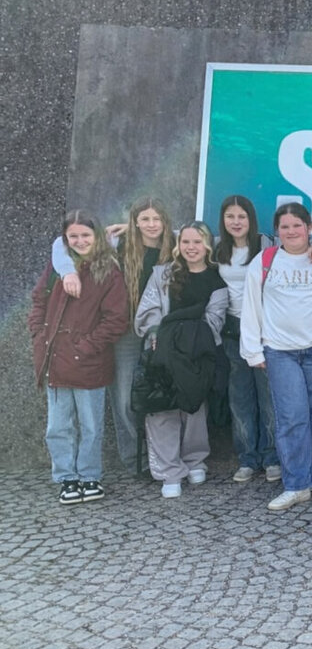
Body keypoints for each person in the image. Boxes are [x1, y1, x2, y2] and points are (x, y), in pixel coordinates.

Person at [240, 202, 312, 511]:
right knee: (292, 418)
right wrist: (253, 351)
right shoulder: (264, 261)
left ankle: (307, 473)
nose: (291, 231)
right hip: (279, 352)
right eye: (285, 226)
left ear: (309, 228)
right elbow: (250, 308)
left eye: (297, 225)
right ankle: (296, 485)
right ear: (277, 231)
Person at [51, 197, 175, 473]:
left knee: (167, 397)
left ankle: (164, 460)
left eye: (157, 219)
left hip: (166, 331)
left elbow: (204, 237)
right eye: (145, 219)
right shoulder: (119, 244)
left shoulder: (176, 245)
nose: (152, 225)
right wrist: (68, 272)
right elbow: (62, 243)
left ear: (165, 221)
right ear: (135, 221)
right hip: (126, 331)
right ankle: (135, 460)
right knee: (124, 400)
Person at [213, 195, 312, 484]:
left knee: (271, 399)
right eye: (230, 216)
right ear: (223, 221)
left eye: (242, 216)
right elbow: (179, 239)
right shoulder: (215, 247)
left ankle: (272, 457)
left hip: (268, 330)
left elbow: (303, 246)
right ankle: (247, 458)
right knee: (239, 399)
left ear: (251, 220)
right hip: (231, 330)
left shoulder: (266, 245)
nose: (236, 222)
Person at [31, 211, 129, 504]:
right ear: (65, 239)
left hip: (89, 362)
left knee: (90, 425)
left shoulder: (109, 272)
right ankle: (66, 479)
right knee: (58, 427)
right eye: (74, 236)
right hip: (55, 359)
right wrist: (38, 333)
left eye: (86, 235)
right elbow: (38, 300)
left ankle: (89, 476)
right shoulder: (57, 268)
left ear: (97, 236)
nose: (80, 241)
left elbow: (116, 319)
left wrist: (84, 347)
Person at [134, 222, 229, 498]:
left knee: (194, 410)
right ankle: (169, 472)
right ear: (178, 245)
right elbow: (149, 310)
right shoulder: (162, 274)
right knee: (162, 410)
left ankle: (194, 460)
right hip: (161, 351)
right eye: (186, 242)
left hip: (196, 354)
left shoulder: (217, 280)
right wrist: (156, 331)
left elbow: (214, 321)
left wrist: (184, 337)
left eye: (197, 242)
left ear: (207, 246)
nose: (191, 247)